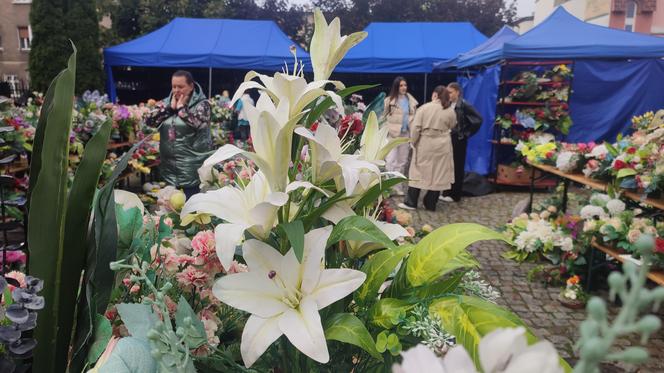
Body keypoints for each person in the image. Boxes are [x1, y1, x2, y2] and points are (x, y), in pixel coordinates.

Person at [145, 70, 212, 199]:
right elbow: (149, 120)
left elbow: (199, 123)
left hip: (192, 169)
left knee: (190, 207)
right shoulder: (167, 102)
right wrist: (169, 109)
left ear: (191, 86)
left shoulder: (203, 104)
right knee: (171, 208)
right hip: (169, 170)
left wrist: (181, 108)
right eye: (174, 86)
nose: (176, 90)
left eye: (180, 87)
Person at [398, 85, 456, 212]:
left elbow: (416, 128)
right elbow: (453, 124)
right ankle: (430, 203)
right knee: (438, 174)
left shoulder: (424, 108)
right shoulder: (450, 110)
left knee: (417, 171)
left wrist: (412, 142)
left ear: (435, 94)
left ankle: (411, 202)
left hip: (426, 142)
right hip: (443, 144)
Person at [440, 82, 483, 203]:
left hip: (458, 139)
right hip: (449, 138)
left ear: (457, 92)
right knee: (448, 165)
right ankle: (447, 191)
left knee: (457, 166)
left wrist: (466, 133)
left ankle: (455, 194)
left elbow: (478, 119)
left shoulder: (464, 105)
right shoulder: (448, 104)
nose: (448, 94)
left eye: (450, 92)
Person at [383, 77, 418, 195]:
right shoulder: (389, 101)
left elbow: (415, 117)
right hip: (392, 135)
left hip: (405, 134)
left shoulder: (411, 101)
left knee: (402, 162)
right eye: (401, 85)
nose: (404, 87)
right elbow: (383, 117)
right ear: (396, 87)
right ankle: (388, 186)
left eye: (405, 85)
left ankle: (397, 187)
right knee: (390, 160)